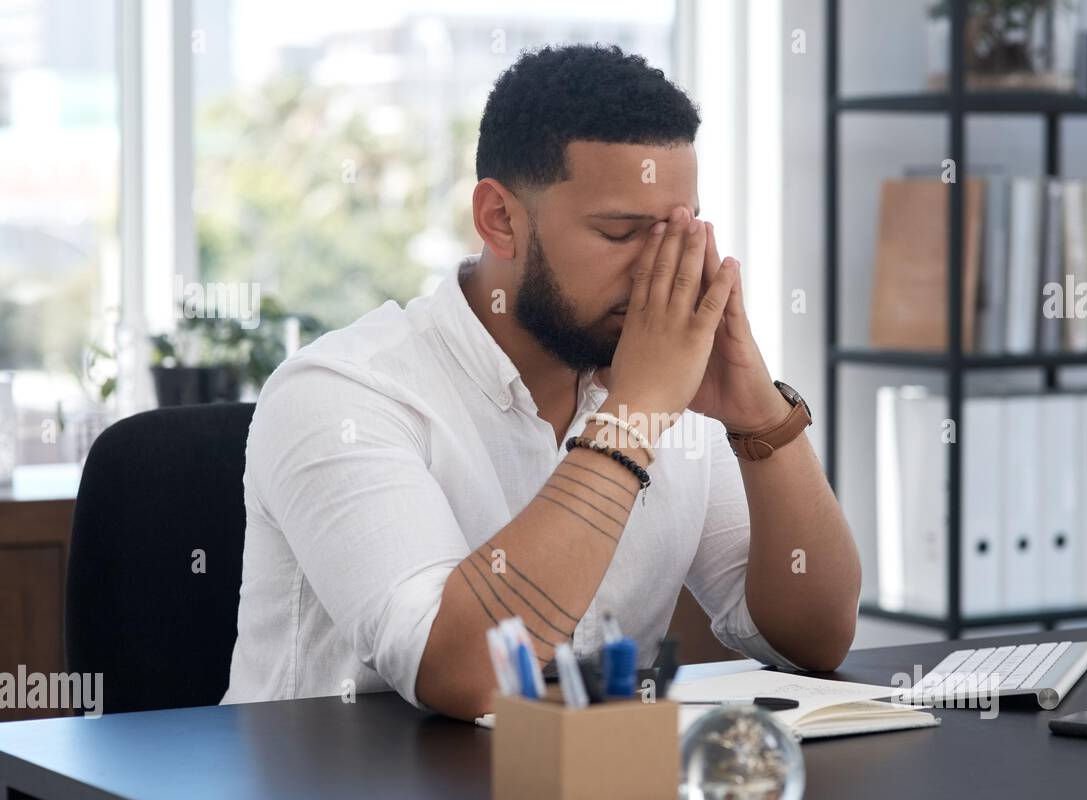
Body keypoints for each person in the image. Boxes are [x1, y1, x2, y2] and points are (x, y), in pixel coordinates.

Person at [222, 44, 861, 721]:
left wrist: (761, 419)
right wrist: (634, 417)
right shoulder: (340, 394)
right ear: (501, 220)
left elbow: (814, 638)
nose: (660, 273)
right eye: (621, 232)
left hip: (583, 798)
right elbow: (464, 674)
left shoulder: (668, 381)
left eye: (679, 233)